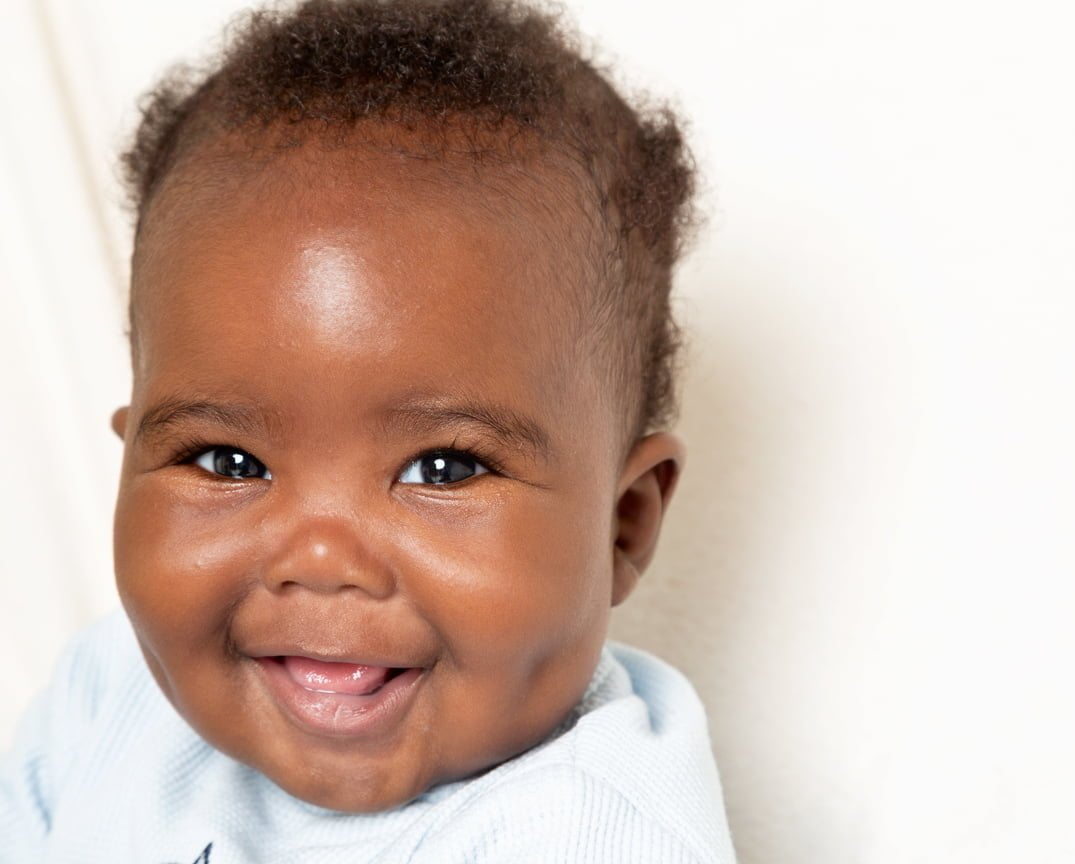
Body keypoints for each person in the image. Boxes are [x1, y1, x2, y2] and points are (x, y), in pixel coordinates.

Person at [0, 0, 735, 860]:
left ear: (623, 522)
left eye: (443, 469)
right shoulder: (112, 697)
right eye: (227, 461)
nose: (319, 561)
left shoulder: (582, 835)